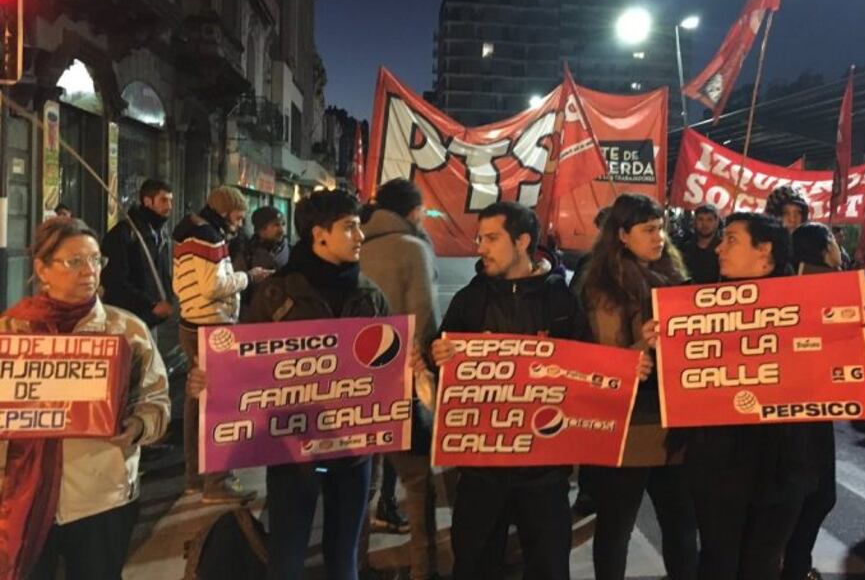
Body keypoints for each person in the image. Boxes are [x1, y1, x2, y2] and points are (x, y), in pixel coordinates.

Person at [652, 213, 865, 580]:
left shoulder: (809, 301)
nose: (720, 248)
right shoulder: (696, 299)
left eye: (731, 240)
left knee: (762, 563)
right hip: (717, 461)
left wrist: (862, 334)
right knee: (717, 562)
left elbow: (836, 372)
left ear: (765, 250)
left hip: (784, 461)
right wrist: (657, 343)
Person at [188, 189, 388, 580]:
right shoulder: (276, 294)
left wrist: (412, 365)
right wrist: (210, 381)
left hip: (353, 452)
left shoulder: (371, 295)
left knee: (345, 557)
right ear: (320, 234)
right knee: (286, 556)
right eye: (350, 227)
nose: (361, 236)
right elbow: (244, 365)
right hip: (291, 452)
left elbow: (389, 367)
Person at [430, 201, 592, 580]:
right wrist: (437, 355)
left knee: (549, 567)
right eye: (479, 238)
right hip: (481, 469)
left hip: (544, 471)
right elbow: (441, 368)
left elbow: (587, 368)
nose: (480, 247)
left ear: (522, 242)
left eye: (491, 238)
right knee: (473, 564)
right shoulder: (470, 299)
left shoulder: (561, 301)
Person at [0, 217, 169, 579]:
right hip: (19, 498)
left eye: (95, 260)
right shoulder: (10, 331)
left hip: (102, 498)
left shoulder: (127, 330)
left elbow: (157, 403)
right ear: (42, 269)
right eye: (74, 261)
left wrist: (137, 427)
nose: (89, 271)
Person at [580, 193, 695, 580]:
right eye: (648, 230)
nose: (658, 237)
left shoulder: (672, 275)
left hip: (673, 419)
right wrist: (642, 344)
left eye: (661, 229)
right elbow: (605, 362)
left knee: (680, 522)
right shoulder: (605, 287)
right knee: (616, 526)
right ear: (622, 235)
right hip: (630, 424)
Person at [360, 178, 441, 580]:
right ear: (412, 212)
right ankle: (423, 568)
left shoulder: (357, 244)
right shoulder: (413, 248)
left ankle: (356, 562)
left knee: (364, 478)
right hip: (401, 377)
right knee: (417, 479)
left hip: (358, 379)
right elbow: (424, 316)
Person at [173, 186, 272, 503]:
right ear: (225, 212)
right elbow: (213, 286)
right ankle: (216, 481)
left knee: (196, 401)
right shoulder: (209, 237)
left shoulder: (188, 232)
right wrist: (248, 277)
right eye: (238, 217)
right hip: (212, 325)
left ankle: (195, 477)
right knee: (217, 403)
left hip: (192, 322)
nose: (240, 225)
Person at [782, 223, 843, 580]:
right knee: (814, 495)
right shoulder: (815, 288)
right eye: (833, 241)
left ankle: (794, 563)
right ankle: (793, 565)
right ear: (822, 249)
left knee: (817, 495)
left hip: (818, 403)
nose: (838, 248)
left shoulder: (834, 284)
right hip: (802, 406)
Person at [100, 179, 175, 329]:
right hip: (128, 319)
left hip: (153, 318)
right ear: (147, 201)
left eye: (170, 201)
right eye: (163, 200)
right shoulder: (124, 234)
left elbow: (162, 273)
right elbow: (115, 281)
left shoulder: (159, 234)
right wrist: (150, 305)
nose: (169, 206)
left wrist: (167, 300)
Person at [232, 206, 290, 304]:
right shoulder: (246, 255)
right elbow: (236, 287)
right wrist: (251, 277)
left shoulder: (291, 251)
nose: (282, 230)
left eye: (283, 224)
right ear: (261, 229)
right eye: (276, 225)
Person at [679, 204, 722, 284]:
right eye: (700, 219)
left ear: (716, 222)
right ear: (695, 221)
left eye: (709, 220)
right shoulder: (685, 248)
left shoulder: (724, 249)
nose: (705, 224)